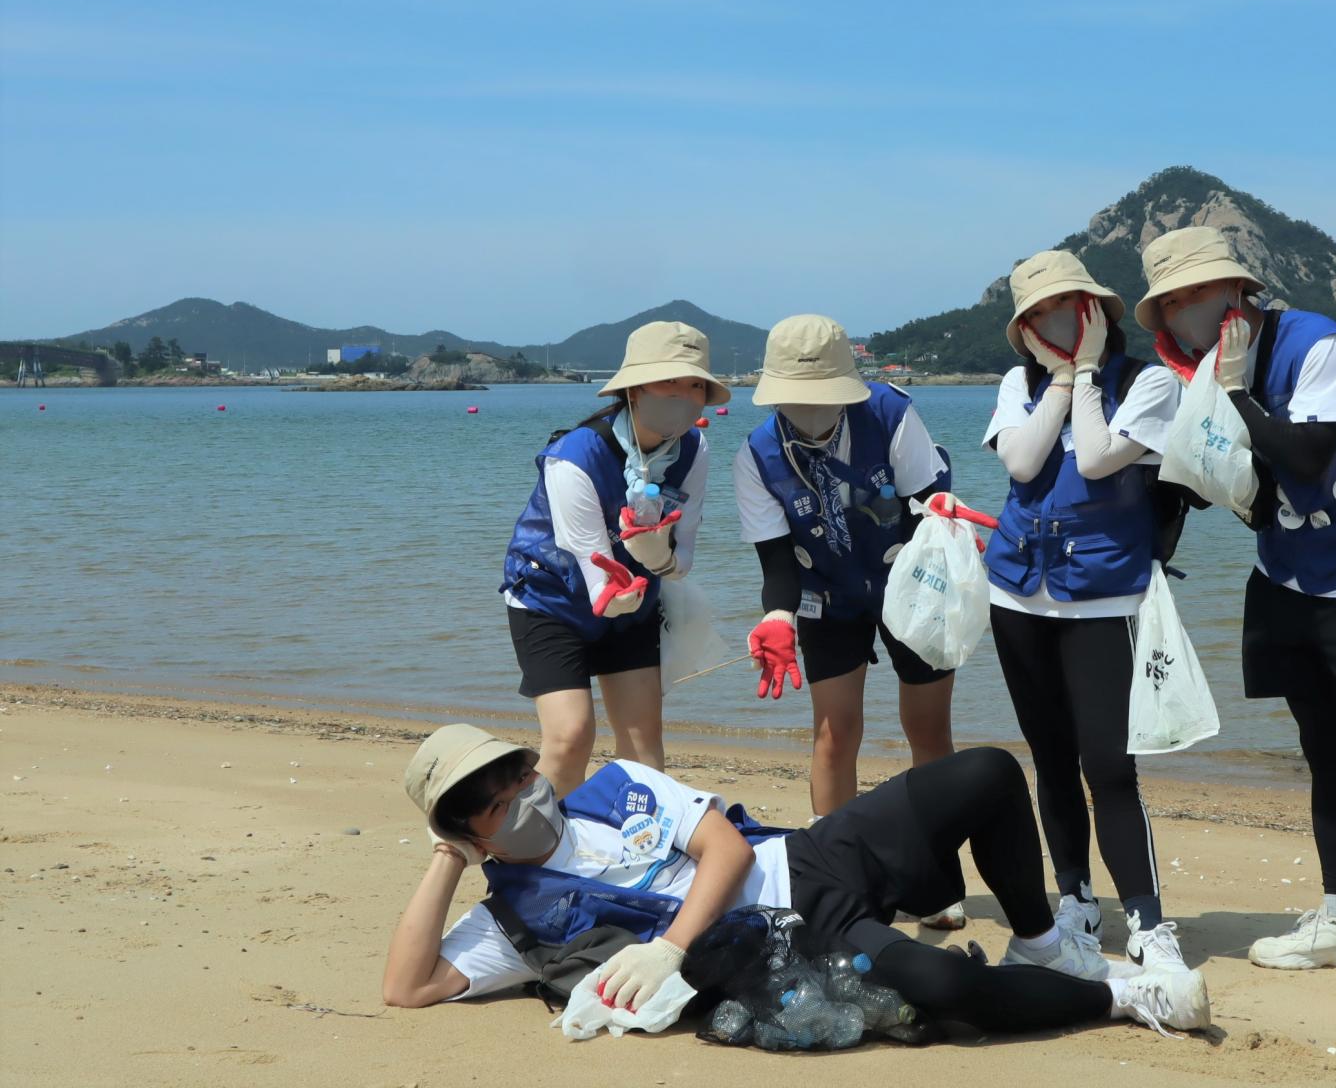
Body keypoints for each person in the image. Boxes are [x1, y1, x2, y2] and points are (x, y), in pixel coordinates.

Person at [380, 723, 1211, 1039]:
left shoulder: (614, 788)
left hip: (809, 858)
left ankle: (1043, 945)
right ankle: (1121, 1000)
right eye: (499, 806)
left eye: (521, 776)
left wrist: (669, 948)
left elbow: (728, 853)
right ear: (473, 834)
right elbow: (408, 987)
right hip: (792, 944)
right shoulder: (517, 919)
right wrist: (446, 860)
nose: (526, 798)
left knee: (987, 772)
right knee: (943, 985)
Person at [1136, 225, 1336, 1019]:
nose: (1184, 311)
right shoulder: (1201, 374)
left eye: (1196, 292)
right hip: (1287, 578)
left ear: (1237, 290)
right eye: (1170, 301)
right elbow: (1200, 477)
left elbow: (1306, 455)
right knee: (1322, 753)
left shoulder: (1314, 343)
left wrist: (1237, 394)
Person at [979, 250, 1190, 972]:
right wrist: (1064, 379)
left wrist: (1091, 370)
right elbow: (1022, 464)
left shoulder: (1150, 383)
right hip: (1015, 593)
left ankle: (1148, 922)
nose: (1052, 320)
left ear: (1095, 308)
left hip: (1105, 596)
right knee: (1051, 758)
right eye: (1035, 313)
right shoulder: (1020, 383)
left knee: (1109, 765)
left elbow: (1098, 458)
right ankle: (1075, 899)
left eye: (1064, 305)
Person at [733, 314, 968, 930]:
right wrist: (777, 616)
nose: (810, 408)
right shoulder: (758, 455)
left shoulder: (890, 415)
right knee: (835, 734)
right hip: (826, 596)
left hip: (912, 581)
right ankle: (836, 881)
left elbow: (927, 509)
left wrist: (946, 546)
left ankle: (934, 878)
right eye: (796, 396)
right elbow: (776, 562)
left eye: (823, 394)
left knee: (927, 728)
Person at [499, 321, 725, 795]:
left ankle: (640, 835)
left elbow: (682, 560)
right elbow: (596, 574)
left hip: (637, 601)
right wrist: (616, 590)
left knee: (644, 746)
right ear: (635, 389)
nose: (684, 396)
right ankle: (538, 836)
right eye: (669, 381)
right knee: (570, 738)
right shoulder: (573, 458)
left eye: (695, 385)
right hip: (550, 600)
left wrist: (658, 557)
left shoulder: (694, 449)